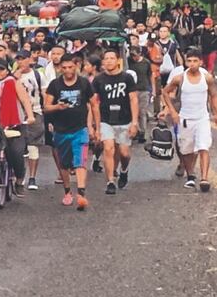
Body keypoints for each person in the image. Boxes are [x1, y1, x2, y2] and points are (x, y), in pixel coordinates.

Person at [43, 55, 100, 211]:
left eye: (70, 67)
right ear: (60, 68)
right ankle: (67, 191)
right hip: (60, 130)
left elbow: (94, 105)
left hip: (80, 129)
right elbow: (46, 107)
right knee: (64, 164)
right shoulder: (55, 85)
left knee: (80, 161)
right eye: (64, 67)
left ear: (76, 66)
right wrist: (57, 107)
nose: (67, 70)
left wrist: (96, 128)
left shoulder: (84, 83)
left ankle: (81, 193)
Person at [161, 49, 217, 191]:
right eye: (189, 61)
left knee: (203, 147)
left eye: (195, 61)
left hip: (202, 118)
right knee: (186, 150)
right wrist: (172, 111)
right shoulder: (180, 78)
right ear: (185, 62)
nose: (192, 64)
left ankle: (204, 179)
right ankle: (190, 175)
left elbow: (213, 95)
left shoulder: (207, 78)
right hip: (185, 118)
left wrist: (215, 113)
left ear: (201, 62)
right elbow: (165, 92)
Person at [0, 58, 35, 197]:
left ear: (7, 70)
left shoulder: (14, 82)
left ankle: (19, 180)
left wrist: (30, 116)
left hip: (14, 125)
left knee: (16, 153)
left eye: (1, 69)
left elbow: (25, 100)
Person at [92, 48, 139, 194]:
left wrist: (135, 122)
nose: (109, 61)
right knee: (108, 148)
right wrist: (95, 126)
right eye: (106, 59)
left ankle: (124, 170)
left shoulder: (127, 78)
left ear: (118, 60)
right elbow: (94, 103)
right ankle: (110, 181)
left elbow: (133, 99)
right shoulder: (98, 79)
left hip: (124, 119)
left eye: (112, 58)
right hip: (106, 120)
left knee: (124, 153)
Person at [13, 50, 48, 190]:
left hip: (35, 111)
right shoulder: (12, 76)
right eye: (18, 59)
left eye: (23, 59)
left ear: (29, 59)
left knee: (33, 145)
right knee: (18, 147)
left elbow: (44, 93)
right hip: (17, 113)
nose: (21, 62)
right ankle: (18, 176)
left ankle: (32, 178)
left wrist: (46, 110)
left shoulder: (38, 75)